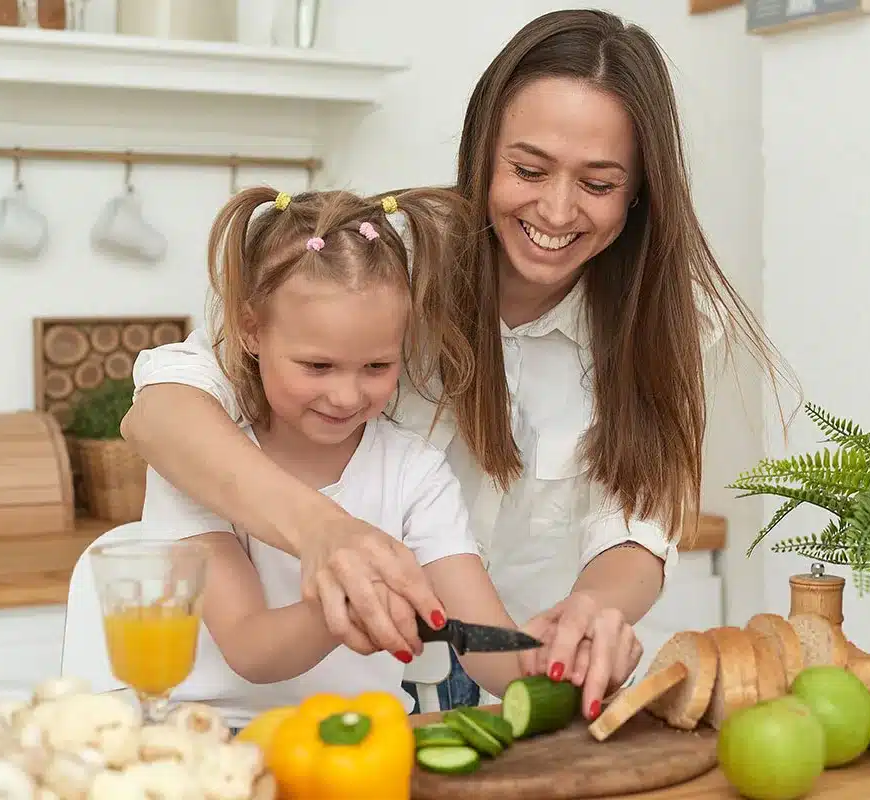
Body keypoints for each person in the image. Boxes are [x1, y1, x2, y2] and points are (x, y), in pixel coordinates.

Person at [122, 9, 785, 719]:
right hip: (355, 684)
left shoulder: (663, 316)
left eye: (598, 184)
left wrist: (586, 621)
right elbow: (163, 409)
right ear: (483, 152)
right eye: (529, 169)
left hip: (504, 663)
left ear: (638, 193)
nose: (557, 209)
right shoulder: (374, 267)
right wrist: (326, 534)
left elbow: (638, 521)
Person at [133, 185, 638, 729]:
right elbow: (252, 650)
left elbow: (484, 646)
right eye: (317, 367)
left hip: (368, 744)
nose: (348, 396)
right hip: (214, 741)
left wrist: (559, 659)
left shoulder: (413, 471)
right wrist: (353, 601)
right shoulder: (205, 464)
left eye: (376, 367)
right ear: (252, 330)